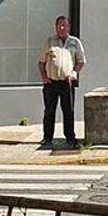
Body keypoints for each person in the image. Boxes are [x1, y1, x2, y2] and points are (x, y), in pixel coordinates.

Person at [37, 15, 85, 148]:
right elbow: (41, 61)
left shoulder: (75, 42)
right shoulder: (49, 42)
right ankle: (47, 138)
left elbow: (81, 61)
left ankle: (70, 138)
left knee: (68, 111)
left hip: (66, 83)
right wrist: (43, 76)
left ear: (69, 27)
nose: (61, 28)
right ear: (56, 27)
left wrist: (74, 73)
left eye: (64, 25)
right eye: (59, 25)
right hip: (51, 83)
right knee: (49, 111)